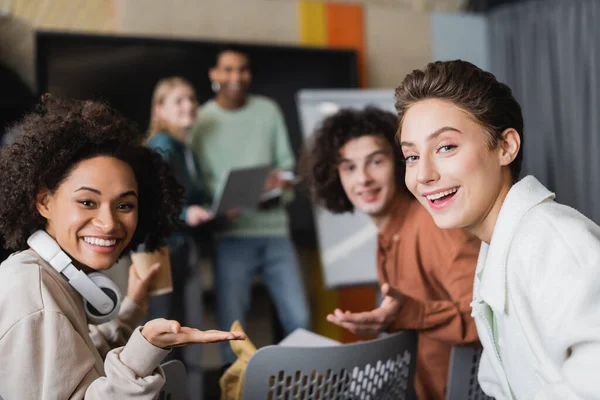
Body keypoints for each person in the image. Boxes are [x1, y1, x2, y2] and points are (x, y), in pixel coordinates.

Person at [0, 95, 244, 399]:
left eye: (124, 205)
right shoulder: (34, 294)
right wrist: (145, 351)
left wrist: (133, 313)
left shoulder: (49, 277)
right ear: (44, 202)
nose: (110, 223)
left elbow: (75, 363)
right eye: (88, 202)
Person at [395, 60, 600, 399]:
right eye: (411, 156)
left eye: (446, 147)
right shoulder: (498, 247)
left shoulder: (555, 244)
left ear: (506, 146)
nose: (422, 175)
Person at [301, 106, 480, 400]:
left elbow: (488, 318)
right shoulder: (389, 235)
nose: (363, 179)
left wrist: (414, 314)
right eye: (348, 167)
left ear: (400, 164)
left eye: (376, 161)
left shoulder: (433, 225)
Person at [189, 48, 310, 365]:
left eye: (242, 70)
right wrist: (219, 205)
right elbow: (196, 181)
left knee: (300, 318)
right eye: (228, 70)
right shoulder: (201, 120)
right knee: (233, 331)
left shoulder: (268, 111)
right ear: (214, 75)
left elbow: (286, 164)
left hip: (275, 232)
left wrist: (277, 183)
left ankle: (299, 388)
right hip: (231, 236)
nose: (236, 77)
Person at [147, 76, 214, 398]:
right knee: (165, 337)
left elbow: (189, 196)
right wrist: (187, 214)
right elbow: (152, 198)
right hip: (161, 250)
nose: (189, 105)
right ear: (160, 109)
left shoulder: (185, 148)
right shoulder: (161, 144)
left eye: (192, 99)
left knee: (189, 332)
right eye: (179, 101)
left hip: (184, 246)